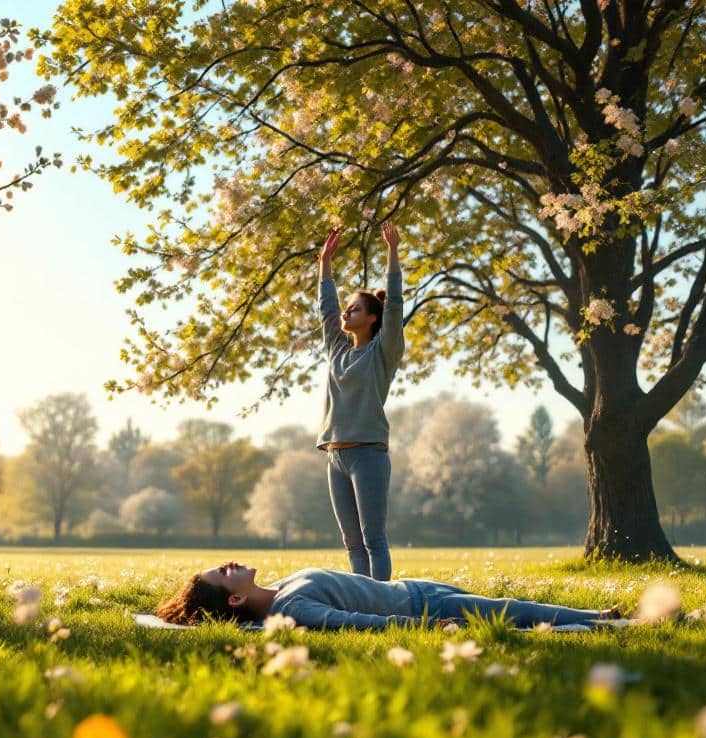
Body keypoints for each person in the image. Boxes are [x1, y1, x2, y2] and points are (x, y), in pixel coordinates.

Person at [155, 562, 619, 630]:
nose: (230, 564)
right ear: (233, 600)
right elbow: (356, 623)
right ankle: (599, 624)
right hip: (423, 608)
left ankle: (595, 614)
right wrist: (423, 626)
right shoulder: (290, 608)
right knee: (510, 615)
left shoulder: (283, 584)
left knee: (513, 609)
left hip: (415, 588)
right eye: (223, 573)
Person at [316, 222, 404, 581]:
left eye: (353, 309)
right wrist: (324, 262)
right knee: (352, 543)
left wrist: (393, 252)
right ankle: (360, 601)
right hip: (335, 454)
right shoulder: (337, 349)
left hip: (368, 454)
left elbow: (395, 305)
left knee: (373, 540)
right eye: (346, 308)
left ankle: (381, 603)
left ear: (371, 317)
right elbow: (326, 309)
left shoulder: (384, 351)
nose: (345, 312)